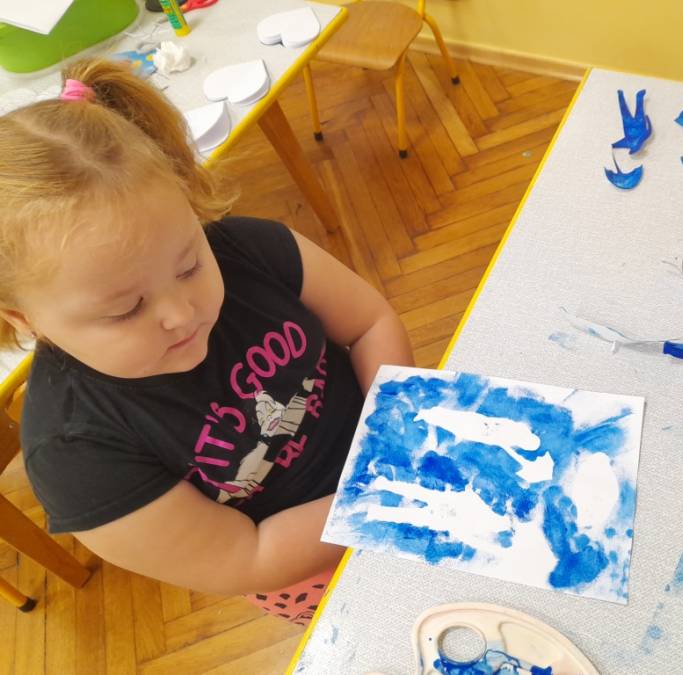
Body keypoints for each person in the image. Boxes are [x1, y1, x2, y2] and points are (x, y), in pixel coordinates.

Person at [0, 59, 413, 626]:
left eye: (190, 265)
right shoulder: (76, 454)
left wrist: (397, 440)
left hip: (402, 447)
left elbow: (369, 324)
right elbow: (247, 557)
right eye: (125, 310)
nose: (181, 314)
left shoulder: (245, 249)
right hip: (315, 564)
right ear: (26, 319)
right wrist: (390, 498)